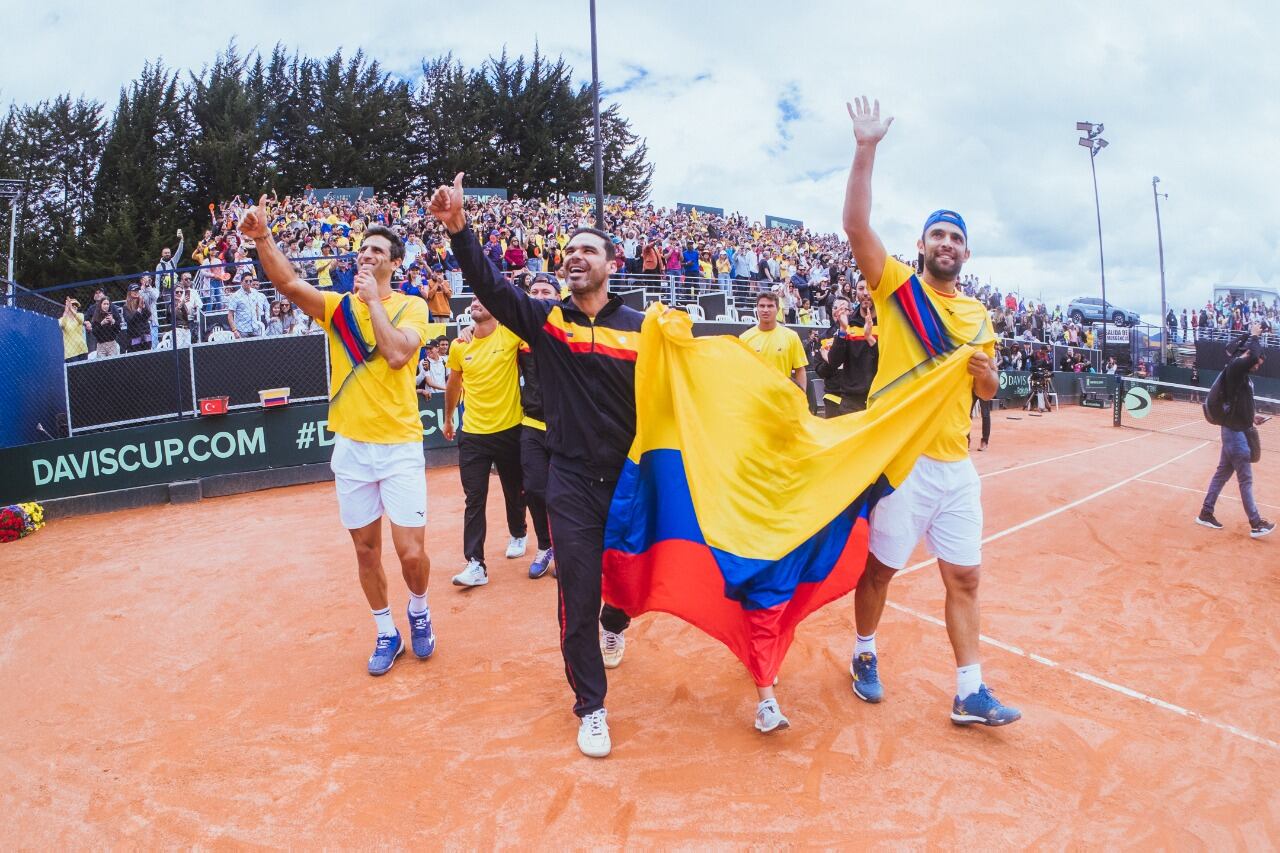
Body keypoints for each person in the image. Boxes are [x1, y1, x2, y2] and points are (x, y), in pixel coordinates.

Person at [431, 172, 638, 759]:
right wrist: (459, 229)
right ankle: (591, 707)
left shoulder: (643, 328)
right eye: (569, 250)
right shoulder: (547, 321)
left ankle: (616, 624)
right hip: (570, 481)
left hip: (630, 483)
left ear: (612, 264)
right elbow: (493, 288)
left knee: (627, 583)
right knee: (576, 591)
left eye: (588, 250)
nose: (575, 256)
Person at [841, 96, 1020, 727]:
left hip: (955, 466)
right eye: (938, 234)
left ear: (966, 254)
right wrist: (866, 148)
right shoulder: (897, 288)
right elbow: (856, 226)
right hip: (903, 465)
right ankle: (864, 651)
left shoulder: (978, 315)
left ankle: (969, 691)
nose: (947, 243)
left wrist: (989, 379)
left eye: (957, 238)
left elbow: (987, 392)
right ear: (921, 245)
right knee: (880, 572)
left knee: (965, 578)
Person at [238, 196, 437, 676]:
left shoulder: (412, 306)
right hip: (351, 448)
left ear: (395, 262)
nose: (366, 255)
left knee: (411, 554)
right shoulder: (337, 308)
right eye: (363, 249)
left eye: (376, 251)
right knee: (366, 551)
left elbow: (396, 356)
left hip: (400, 446)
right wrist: (263, 238)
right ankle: (386, 631)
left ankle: (419, 609)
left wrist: (373, 301)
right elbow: (288, 284)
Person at [442, 296, 530, 587]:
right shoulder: (459, 345)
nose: (476, 301)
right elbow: (454, 383)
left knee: (514, 491)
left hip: (510, 430)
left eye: (483, 298)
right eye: (474, 299)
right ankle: (475, 564)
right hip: (473, 434)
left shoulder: (511, 335)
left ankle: (518, 533)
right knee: (474, 499)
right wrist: (448, 418)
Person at [1197, 336, 1274, 537]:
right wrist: (1255, 335)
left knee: (1221, 474)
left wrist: (1252, 417)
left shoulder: (1242, 376)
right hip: (1235, 434)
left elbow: (1239, 405)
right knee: (1245, 479)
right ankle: (1256, 523)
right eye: (1257, 362)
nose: (1257, 366)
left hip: (1235, 431)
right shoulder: (1235, 368)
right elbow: (1253, 356)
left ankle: (1205, 513)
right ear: (1247, 355)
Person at [518, 273, 561, 579]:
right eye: (534, 291)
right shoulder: (517, 330)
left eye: (546, 291)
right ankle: (545, 546)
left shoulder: (570, 327)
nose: (540, 296)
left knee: (565, 493)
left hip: (567, 426)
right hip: (532, 423)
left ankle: (565, 548)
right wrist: (470, 329)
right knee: (534, 489)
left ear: (559, 296)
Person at [816, 286, 879, 416]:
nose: (839, 311)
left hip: (865, 395)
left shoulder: (860, 328)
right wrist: (830, 361)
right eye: (835, 307)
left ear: (850, 311)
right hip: (835, 395)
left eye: (844, 308)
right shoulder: (825, 337)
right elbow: (822, 369)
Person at [739, 292, 808, 392]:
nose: (765, 310)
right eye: (762, 306)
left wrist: (802, 397)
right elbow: (741, 372)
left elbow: (800, 370)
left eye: (770, 306)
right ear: (757, 309)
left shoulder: (791, 336)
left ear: (778, 309)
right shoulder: (744, 338)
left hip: (782, 397)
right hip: (756, 398)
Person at [59, 297, 88, 362]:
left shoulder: (80, 315)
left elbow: (81, 320)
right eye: (72, 305)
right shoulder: (62, 319)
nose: (75, 306)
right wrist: (66, 310)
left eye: (76, 305)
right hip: (70, 353)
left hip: (82, 350)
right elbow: (62, 324)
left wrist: (71, 309)